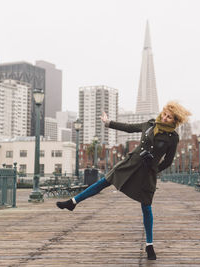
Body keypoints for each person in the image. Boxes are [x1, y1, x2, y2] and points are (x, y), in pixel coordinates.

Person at [56, 101, 191, 260]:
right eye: (165, 114)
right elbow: (128, 127)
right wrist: (108, 123)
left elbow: (168, 161)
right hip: (131, 163)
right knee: (103, 182)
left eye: (169, 117)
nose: (165, 117)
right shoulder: (149, 124)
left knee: (146, 206)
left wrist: (154, 168)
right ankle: (73, 202)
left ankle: (149, 245)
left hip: (148, 172)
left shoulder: (173, 137)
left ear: (175, 121)